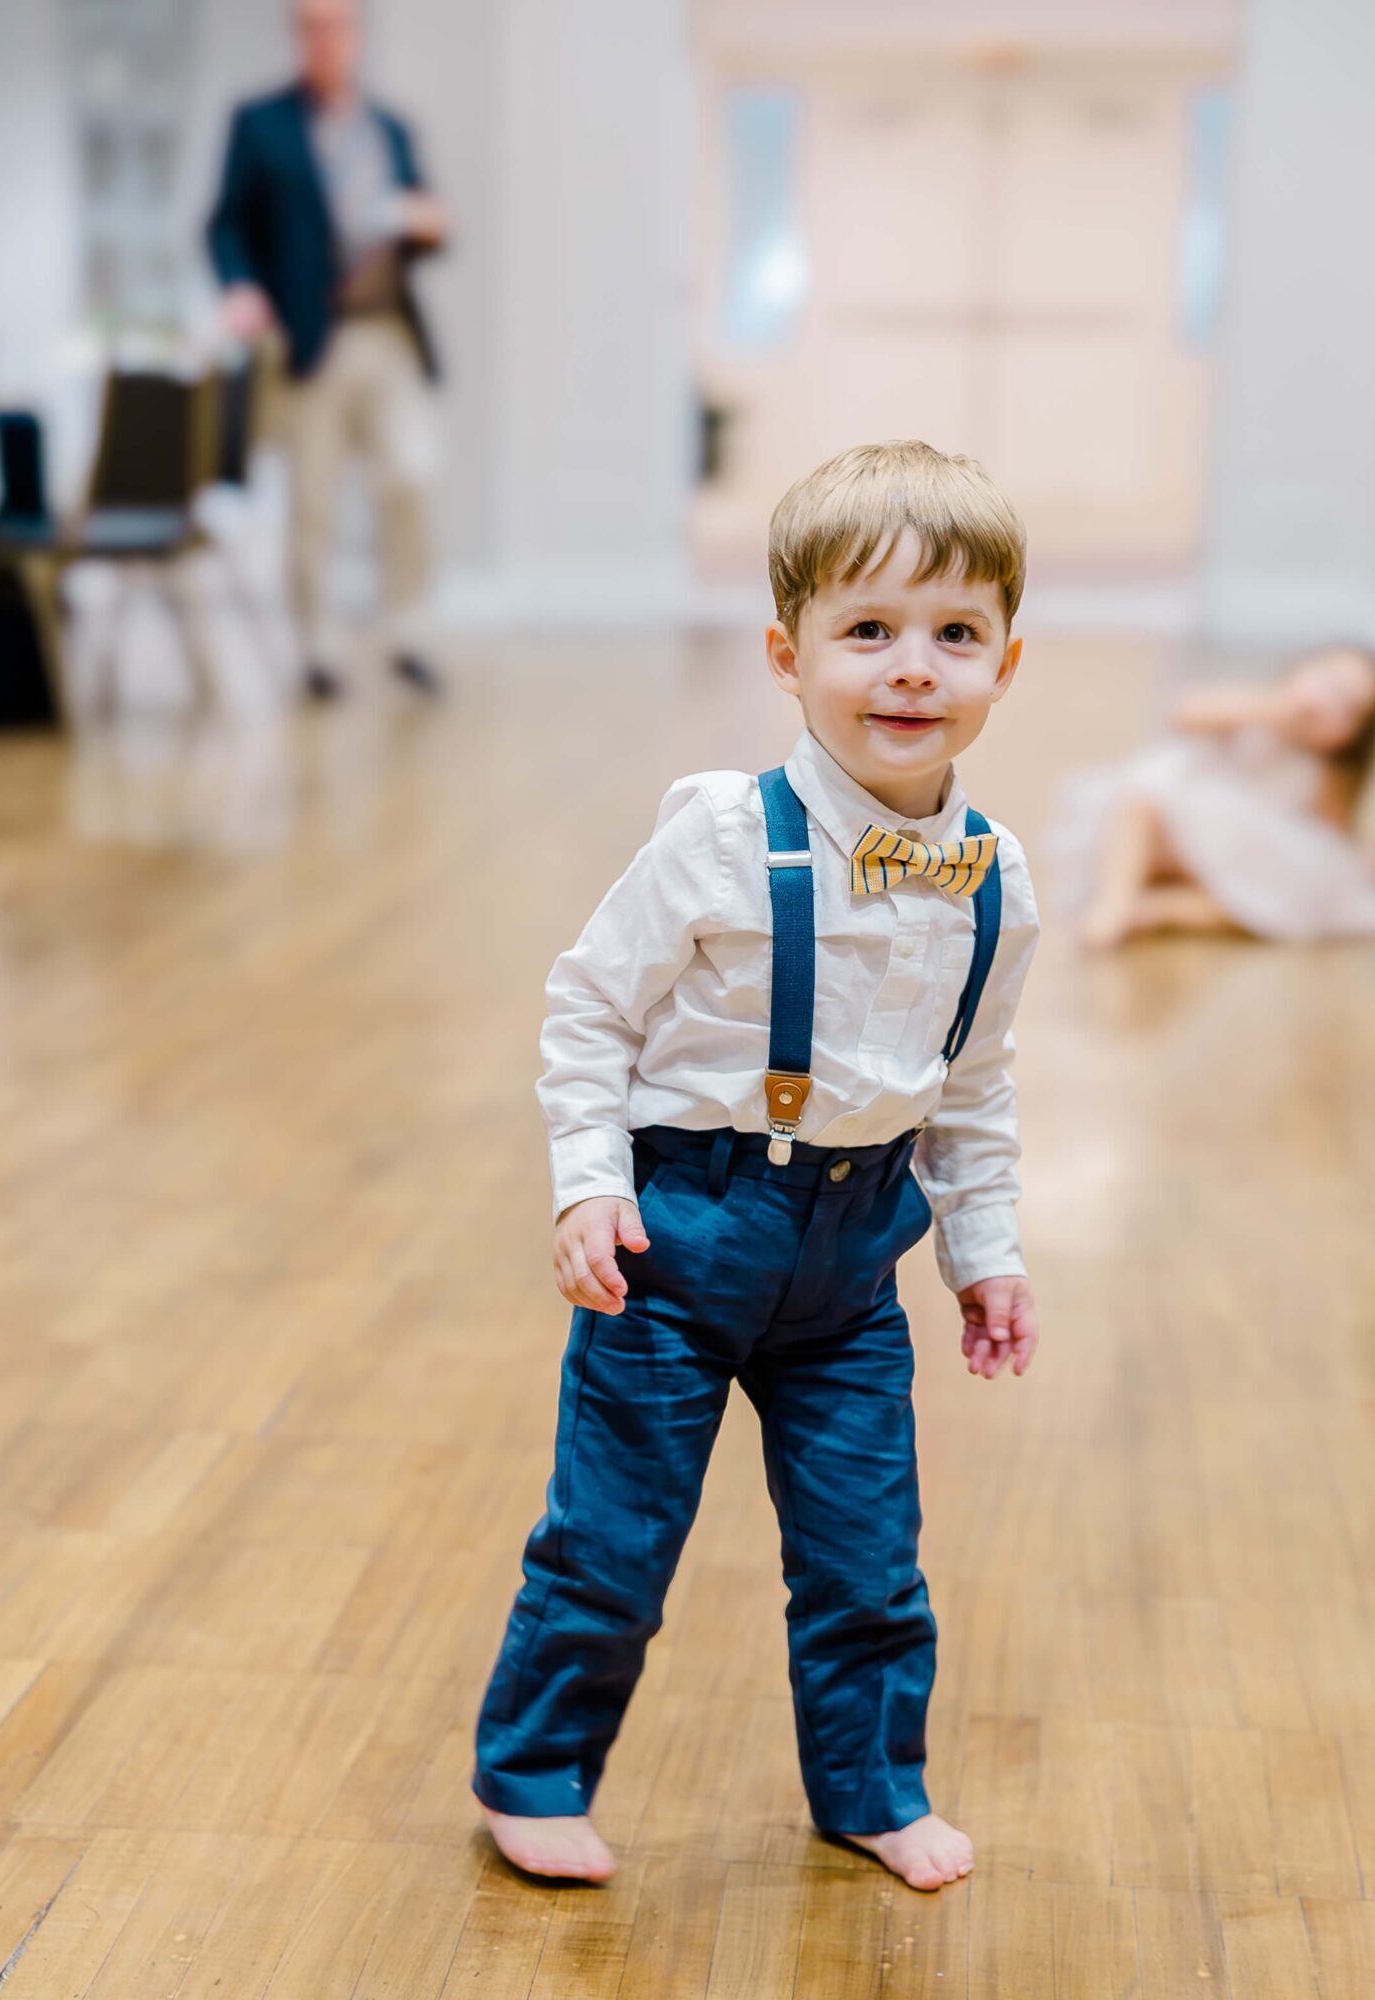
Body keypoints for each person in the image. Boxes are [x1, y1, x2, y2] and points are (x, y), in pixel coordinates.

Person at [472, 440, 1043, 1890]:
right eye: (869, 632)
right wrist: (587, 1182)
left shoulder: (996, 878)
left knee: (867, 1560)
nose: (911, 669)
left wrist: (986, 1255)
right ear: (789, 657)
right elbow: (588, 1007)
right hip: (681, 1233)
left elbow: (972, 1085)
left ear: (1004, 663)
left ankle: (870, 1788)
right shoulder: (722, 838)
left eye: (953, 635)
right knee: (611, 1538)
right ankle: (531, 1777)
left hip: (852, 1263)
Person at [207, 0, 449, 703]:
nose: (325, 39)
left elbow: (420, 220)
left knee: (410, 478)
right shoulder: (261, 125)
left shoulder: (390, 130)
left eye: (337, 24)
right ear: (297, 36)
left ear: (357, 34)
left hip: (387, 333)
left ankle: (408, 634)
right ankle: (317, 648)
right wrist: (240, 287)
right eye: (311, 25)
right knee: (312, 501)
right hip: (310, 342)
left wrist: (429, 223)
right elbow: (224, 227)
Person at [1059, 644, 1375, 948]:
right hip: (1182, 832)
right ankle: (1114, 905)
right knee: (1140, 798)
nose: (1328, 703)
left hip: (1242, 869)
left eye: (1349, 708)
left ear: (1355, 737)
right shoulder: (1253, 709)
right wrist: (1276, 711)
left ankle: (1161, 909)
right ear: (1304, 667)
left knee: (1270, 904)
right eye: (1328, 681)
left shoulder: (1327, 770)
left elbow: (1330, 844)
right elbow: (1184, 714)